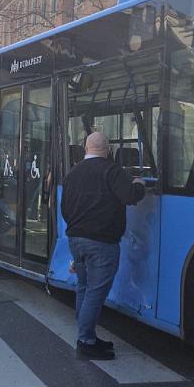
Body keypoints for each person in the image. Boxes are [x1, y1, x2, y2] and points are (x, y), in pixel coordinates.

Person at [61, 132, 146, 361]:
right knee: (96, 293)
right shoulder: (112, 170)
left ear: (86, 148)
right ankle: (85, 341)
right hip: (101, 243)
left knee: (83, 288)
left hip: (76, 241)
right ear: (108, 150)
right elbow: (129, 196)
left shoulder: (72, 173)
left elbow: (65, 209)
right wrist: (139, 184)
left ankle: (87, 336)